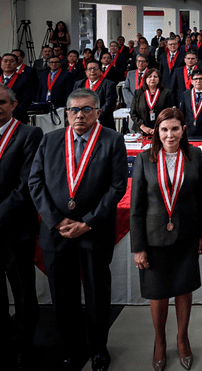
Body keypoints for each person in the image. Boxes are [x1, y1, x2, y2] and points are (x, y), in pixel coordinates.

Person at [28, 88, 128, 371]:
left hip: (93, 232)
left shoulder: (112, 140)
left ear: (98, 112)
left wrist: (88, 222)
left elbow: (117, 186)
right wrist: (57, 221)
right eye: (74, 109)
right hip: (56, 232)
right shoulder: (49, 141)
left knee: (97, 295)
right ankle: (73, 348)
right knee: (63, 298)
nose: (79, 115)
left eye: (86, 109)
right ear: (66, 113)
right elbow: (35, 183)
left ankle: (98, 350)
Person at [130, 108, 202, 371]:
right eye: (164, 129)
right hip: (153, 238)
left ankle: (182, 337)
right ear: (157, 132)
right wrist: (138, 247)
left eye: (175, 128)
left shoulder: (194, 155)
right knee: (158, 292)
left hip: (186, 234)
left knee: (184, 288)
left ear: (183, 130)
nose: (170, 134)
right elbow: (136, 208)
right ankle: (160, 341)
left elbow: (201, 199)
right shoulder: (143, 159)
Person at [0, 84, 43, 371]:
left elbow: (25, 185)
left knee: (23, 291)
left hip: (15, 228)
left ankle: (24, 344)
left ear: (13, 104)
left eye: (1, 102)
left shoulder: (29, 135)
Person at [73, 59, 117, 131]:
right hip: (82, 122)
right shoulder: (79, 84)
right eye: (89, 69)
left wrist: (94, 117)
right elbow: (74, 102)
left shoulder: (109, 84)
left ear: (100, 70)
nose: (92, 71)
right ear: (86, 72)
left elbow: (109, 104)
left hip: (103, 122)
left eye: (95, 68)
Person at [129, 68, 173, 135]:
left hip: (162, 130)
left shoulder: (166, 93)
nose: (152, 79)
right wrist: (143, 127)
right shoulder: (139, 93)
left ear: (159, 79)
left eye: (155, 77)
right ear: (145, 79)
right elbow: (133, 113)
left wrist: (160, 127)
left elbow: (169, 113)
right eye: (150, 77)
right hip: (141, 130)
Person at [1, 53, 36, 124]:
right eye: (5, 61)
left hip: (18, 117)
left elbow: (27, 99)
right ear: (1, 63)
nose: (8, 63)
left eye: (11, 61)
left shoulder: (25, 79)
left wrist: (11, 112)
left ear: (17, 64)